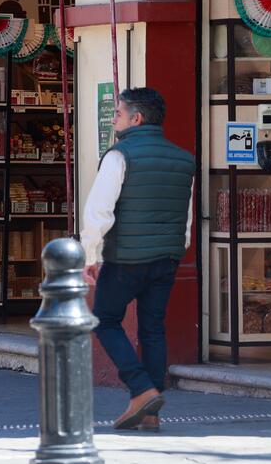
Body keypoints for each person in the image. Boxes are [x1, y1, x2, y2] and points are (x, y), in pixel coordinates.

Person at [81, 88, 195, 432]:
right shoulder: (184, 159)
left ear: (136, 118)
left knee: (105, 319)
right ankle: (151, 410)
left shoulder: (119, 156)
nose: (114, 118)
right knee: (153, 328)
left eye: (118, 112)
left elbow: (98, 211)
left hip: (127, 257)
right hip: (167, 257)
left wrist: (90, 254)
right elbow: (186, 216)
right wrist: (179, 247)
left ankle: (141, 389)